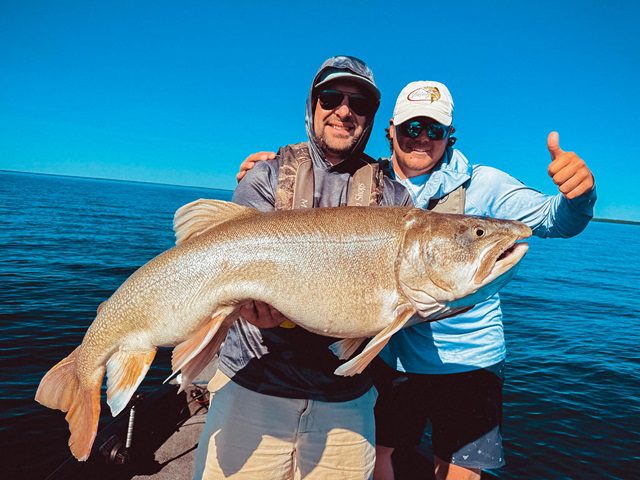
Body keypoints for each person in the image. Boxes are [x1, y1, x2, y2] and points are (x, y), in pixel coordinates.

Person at [236, 80, 596, 480]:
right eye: (411, 128)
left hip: (467, 359)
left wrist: (579, 197)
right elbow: (322, 201)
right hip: (392, 353)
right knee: (381, 453)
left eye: (434, 130)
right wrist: (272, 168)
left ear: (449, 136)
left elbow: (553, 220)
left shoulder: (486, 183)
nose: (421, 139)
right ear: (391, 130)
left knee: (460, 467)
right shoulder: (372, 179)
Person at [193, 55, 411, 480]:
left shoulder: (397, 200)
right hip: (253, 387)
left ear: (370, 118)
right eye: (331, 97)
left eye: (359, 104)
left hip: (346, 403)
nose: (344, 111)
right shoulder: (263, 178)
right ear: (312, 106)